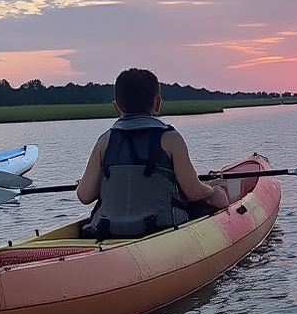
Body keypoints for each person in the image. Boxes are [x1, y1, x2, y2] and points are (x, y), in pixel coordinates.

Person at [76, 68, 229, 239]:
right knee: (218, 196)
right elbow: (193, 192)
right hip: (160, 230)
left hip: (109, 230)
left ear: (116, 106)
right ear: (157, 103)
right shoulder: (170, 138)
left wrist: (90, 183)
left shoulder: (104, 141)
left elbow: (84, 196)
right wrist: (212, 190)